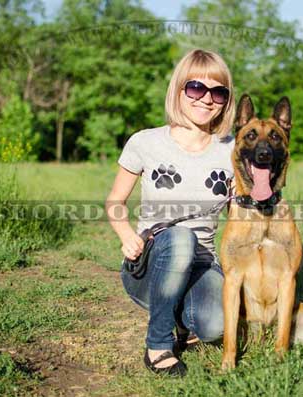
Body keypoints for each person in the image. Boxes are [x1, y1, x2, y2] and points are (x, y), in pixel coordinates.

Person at [105, 48, 236, 376]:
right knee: (180, 239)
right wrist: (125, 235)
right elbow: (114, 202)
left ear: (226, 100)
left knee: (216, 325)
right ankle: (158, 345)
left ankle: (177, 313)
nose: (206, 99)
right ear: (178, 90)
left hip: (203, 265)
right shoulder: (145, 142)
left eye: (218, 92)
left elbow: (241, 215)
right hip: (152, 261)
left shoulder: (233, 149)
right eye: (196, 88)